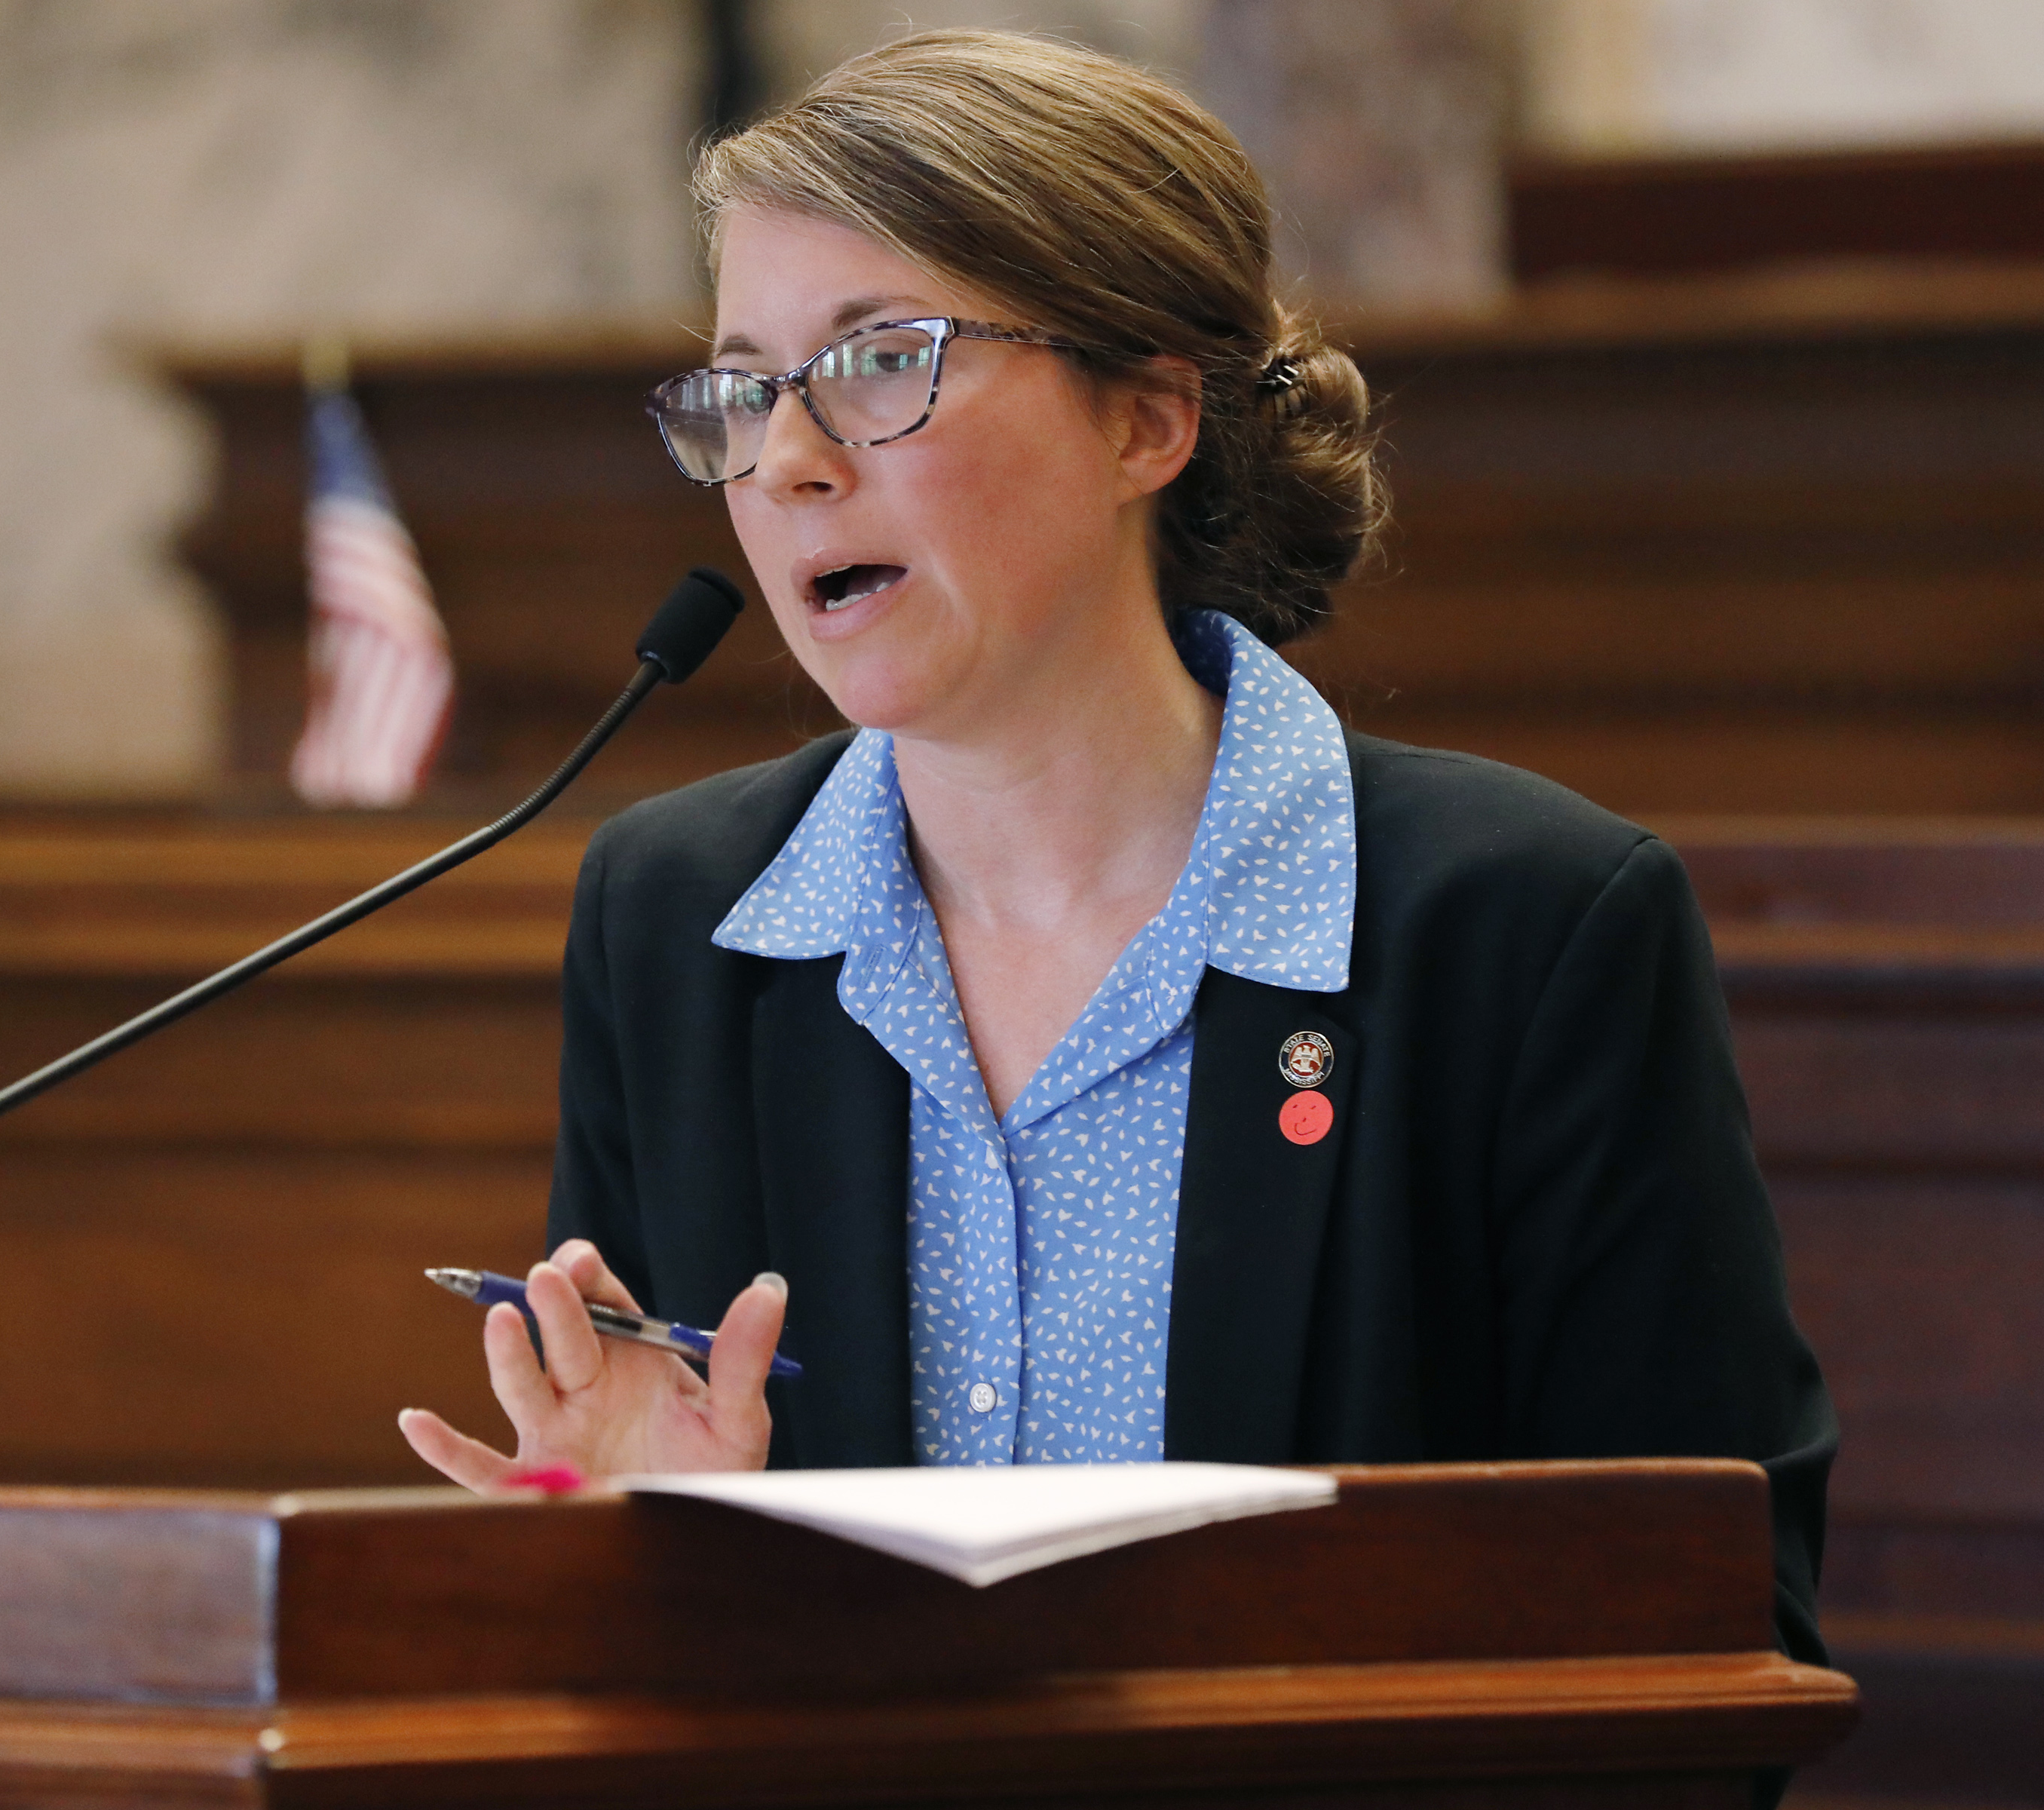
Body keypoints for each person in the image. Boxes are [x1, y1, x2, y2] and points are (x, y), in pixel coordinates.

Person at [397, 29, 1834, 1673]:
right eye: (743, 390)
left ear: (1148, 418)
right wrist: (635, 1585)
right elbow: (661, 1609)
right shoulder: (680, 920)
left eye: (883, 363)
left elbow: (1712, 1628)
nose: (787, 460)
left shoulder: (1523, 928)